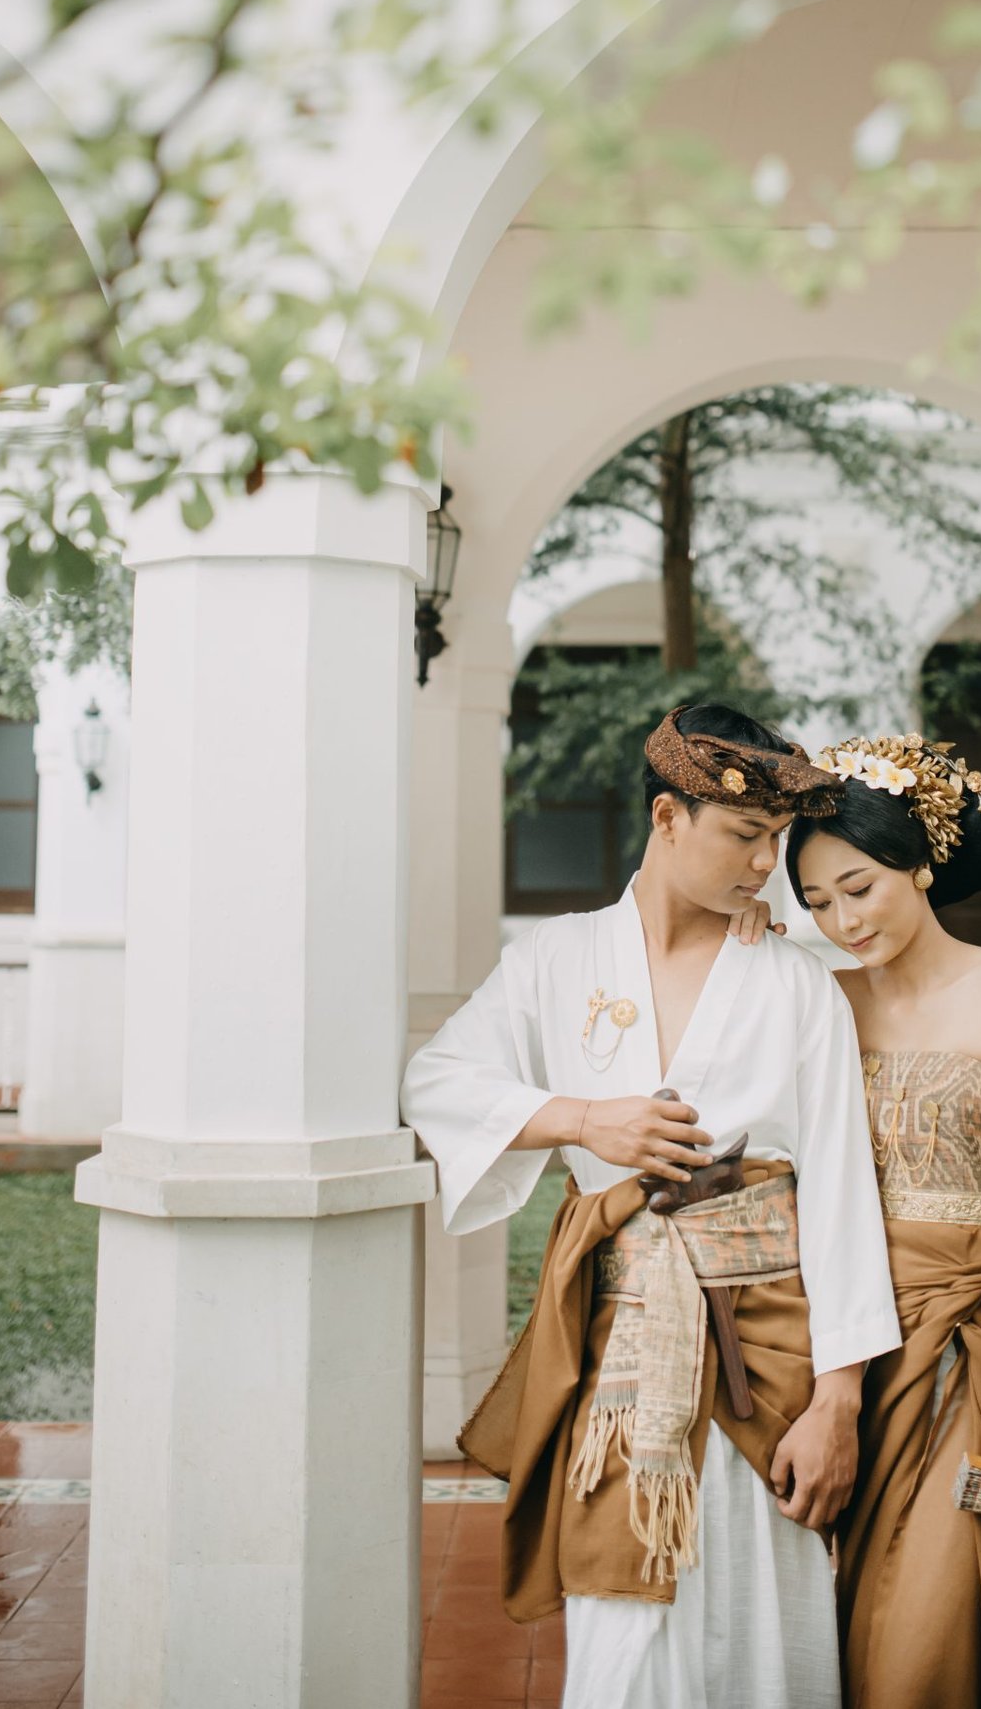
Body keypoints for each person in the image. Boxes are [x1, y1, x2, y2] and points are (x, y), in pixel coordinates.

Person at [401, 701, 899, 1709]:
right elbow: (435, 1080)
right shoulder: (557, 959)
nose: (764, 864)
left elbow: (844, 1192)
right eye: (744, 835)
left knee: (766, 1627)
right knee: (622, 1641)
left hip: (768, 1358)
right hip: (622, 1358)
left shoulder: (795, 984)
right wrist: (585, 1119)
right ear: (668, 817)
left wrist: (838, 1403)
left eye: (775, 838)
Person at [788, 732, 981, 1709]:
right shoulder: (823, 1005)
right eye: (816, 902)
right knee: (855, 1626)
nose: (842, 920)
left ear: (918, 864)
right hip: (866, 1351)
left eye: (859, 887)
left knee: (928, 1641)